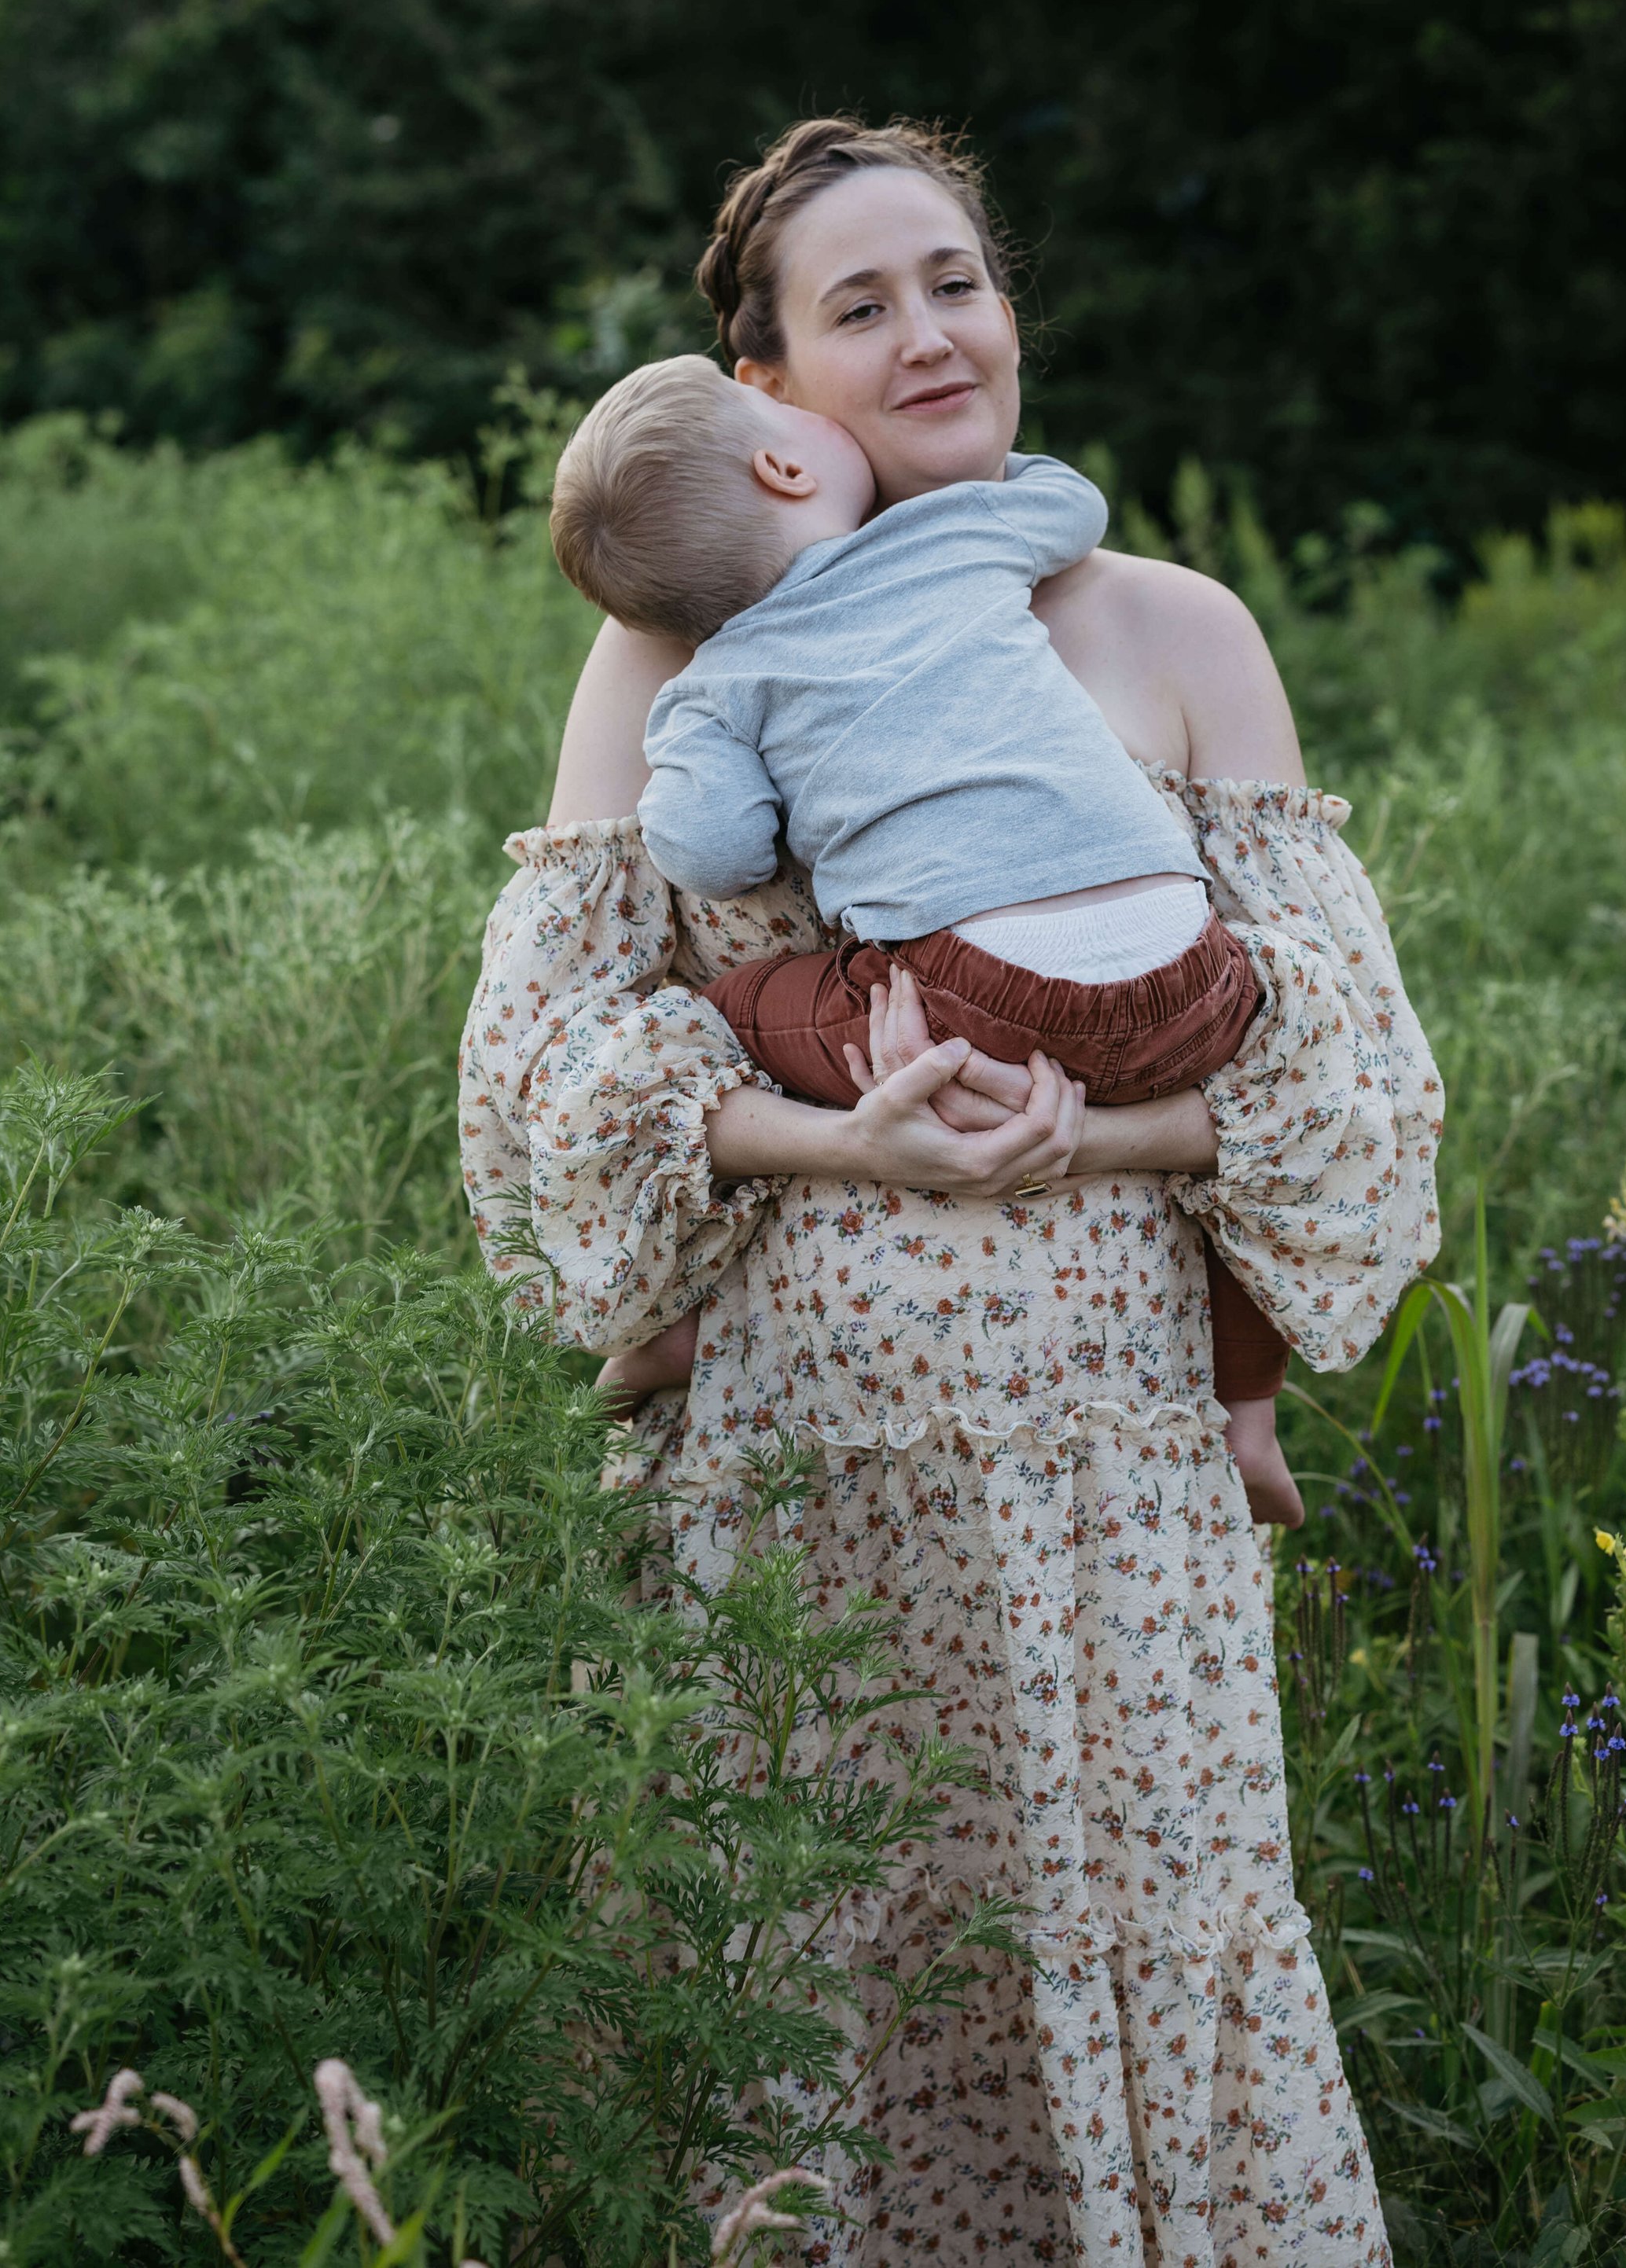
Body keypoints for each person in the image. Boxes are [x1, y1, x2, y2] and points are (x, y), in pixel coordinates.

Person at [458, 115, 1444, 2268]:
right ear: (768, 393)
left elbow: (1346, 1079)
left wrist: (1083, 1135)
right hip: (803, 1468)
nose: (928, 331)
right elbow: (542, 1072)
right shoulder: (675, 652)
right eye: (859, 302)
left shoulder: (1167, 625)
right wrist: (843, 1135)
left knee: (1124, 1931)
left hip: (1111, 1476)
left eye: (956, 279)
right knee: (815, 1951)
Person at [543, 356, 1296, 1508]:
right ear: (787, 457)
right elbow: (1072, 508)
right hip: (1194, 973)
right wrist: (996, 499)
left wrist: (716, 747)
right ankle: (1249, 1416)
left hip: (976, 1000)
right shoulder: (950, 543)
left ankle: (668, 1317)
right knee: (1245, 1148)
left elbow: (716, 852)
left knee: (723, 1017)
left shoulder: (719, 676)